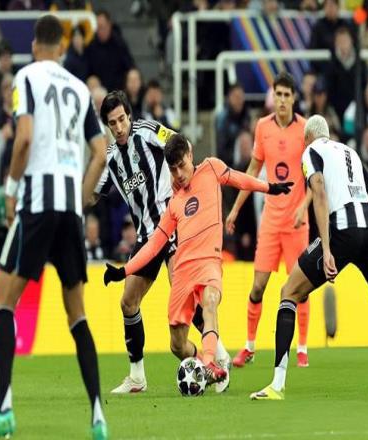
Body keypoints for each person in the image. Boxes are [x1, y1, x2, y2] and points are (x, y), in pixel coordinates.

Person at [0, 15, 109, 439]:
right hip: (69, 208)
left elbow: (24, 137)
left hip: (38, 204)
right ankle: (98, 417)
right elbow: (100, 152)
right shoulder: (79, 88)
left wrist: (11, 189)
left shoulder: (26, 77)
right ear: (61, 48)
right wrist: (80, 197)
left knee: (3, 303)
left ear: (33, 45)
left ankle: (4, 411)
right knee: (77, 314)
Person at [250, 115, 368, 400]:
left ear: (307, 138)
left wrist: (327, 250)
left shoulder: (311, 151)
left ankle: (277, 385)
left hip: (342, 232)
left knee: (288, 292)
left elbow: (318, 192)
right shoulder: (350, 153)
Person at [103, 133, 293, 384]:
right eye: (173, 169)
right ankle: (208, 365)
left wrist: (269, 187)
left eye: (181, 165)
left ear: (190, 155)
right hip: (182, 270)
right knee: (177, 345)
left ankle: (212, 362)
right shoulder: (174, 204)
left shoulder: (212, 168)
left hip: (209, 262)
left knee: (210, 302)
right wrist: (124, 271)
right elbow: (153, 246)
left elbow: (239, 179)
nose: (178, 174)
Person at [93, 90, 231, 394]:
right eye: (112, 123)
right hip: (147, 237)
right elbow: (93, 192)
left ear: (129, 115)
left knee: (184, 292)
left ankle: (218, 355)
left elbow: (182, 145)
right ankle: (137, 377)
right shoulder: (111, 159)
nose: (119, 127)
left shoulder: (149, 131)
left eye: (121, 119)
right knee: (128, 302)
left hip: (174, 226)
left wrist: (188, 190)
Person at [225, 72, 312, 369]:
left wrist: (304, 206)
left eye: (287, 95)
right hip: (271, 221)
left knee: (301, 287)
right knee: (258, 287)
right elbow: (252, 170)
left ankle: (302, 348)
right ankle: (249, 346)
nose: (282, 100)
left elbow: (316, 176)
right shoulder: (262, 127)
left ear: (294, 98)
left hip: (297, 222)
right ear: (273, 97)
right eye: (278, 95)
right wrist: (236, 209)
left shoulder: (305, 129)